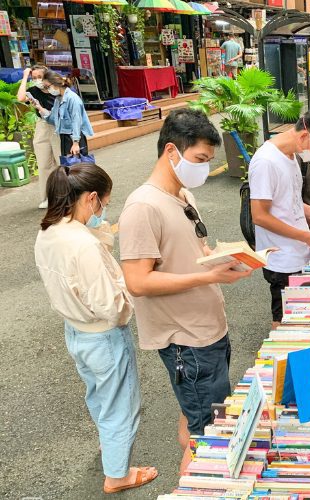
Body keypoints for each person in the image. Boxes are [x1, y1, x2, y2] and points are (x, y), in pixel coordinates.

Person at [118, 109, 252, 473]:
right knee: (208, 434)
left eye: (209, 161)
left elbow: (191, 254)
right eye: (200, 159)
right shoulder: (143, 207)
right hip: (186, 341)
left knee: (196, 416)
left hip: (207, 329)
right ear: (172, 152)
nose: (205, 168)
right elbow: (138, 281)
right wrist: (208, 277)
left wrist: (222, 259)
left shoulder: (182, 194)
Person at [35, 163, 158, 494]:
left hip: (75, 330)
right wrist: (131, 297)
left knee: (99, 393)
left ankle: (110, 445)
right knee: (121, 402)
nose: (104, 207)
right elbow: (110, 304)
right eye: (104, 201)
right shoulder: (83, 245)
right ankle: (117, 475)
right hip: (102, 333)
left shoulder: (48, 231)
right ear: (91, 198)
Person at [249, 109, 310, 329]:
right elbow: (260, 216)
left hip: (299, 252)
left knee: (303, 317)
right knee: (285, 323)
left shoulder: (291, 157)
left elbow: (287, 201)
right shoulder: (266, 162)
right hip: (281, 259)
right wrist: (306, 237)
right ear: (304, 136)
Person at [17, 65, 60, 209]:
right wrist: (25, 77)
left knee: (62, 163)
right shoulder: (33, 91)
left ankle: (67, 195)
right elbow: (20, 97)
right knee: (43, 165)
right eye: (33, 77)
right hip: (42, 125)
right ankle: (47, 197)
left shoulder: (55, 88)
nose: (36, 80)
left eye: (39, 77)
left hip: (57, 125)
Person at [36, 71, 93, 159]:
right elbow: (53, 119)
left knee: (77, 168)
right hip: (64, 137)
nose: (48, 90)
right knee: (69, 167)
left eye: (48, 87)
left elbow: (76, 120)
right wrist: (39, 108)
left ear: (56, 83)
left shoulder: (72, 98)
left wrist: (75, 142)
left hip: (74, 136)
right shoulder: (58, 99)